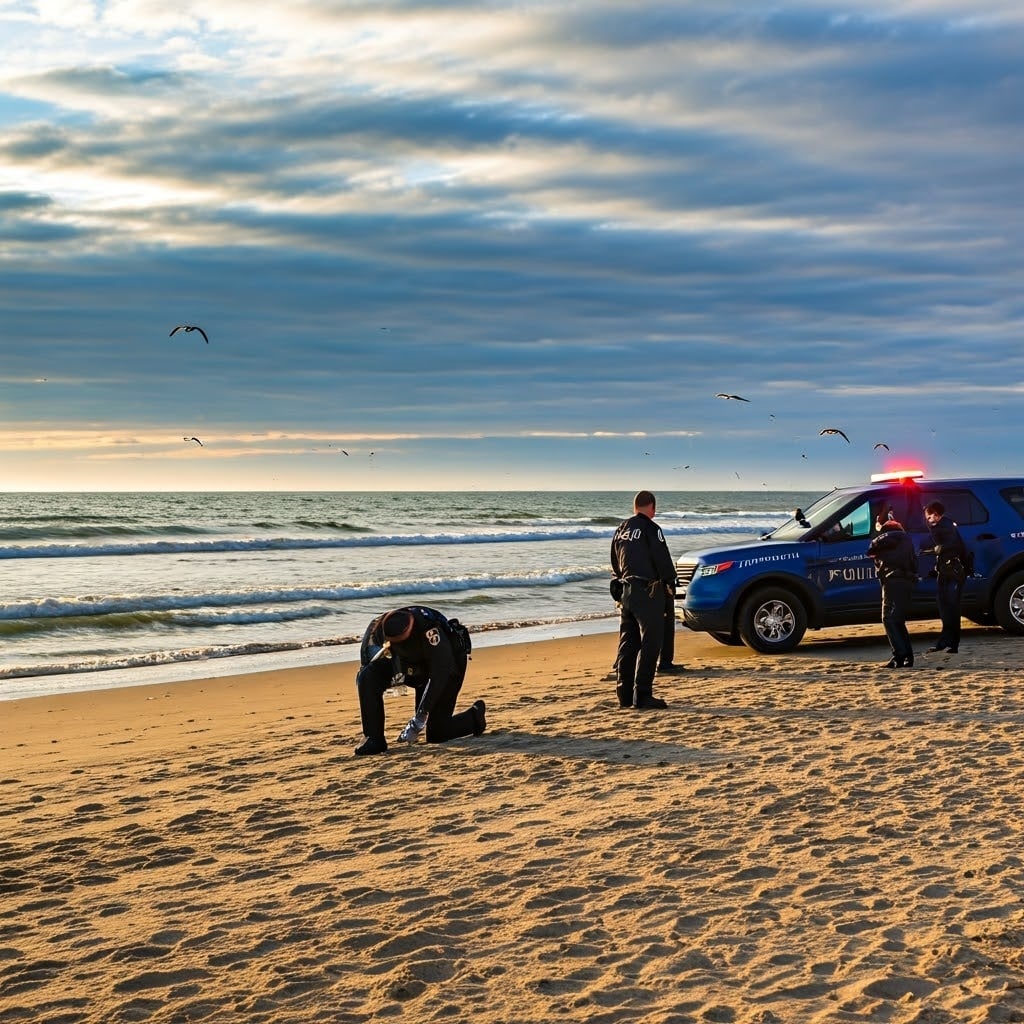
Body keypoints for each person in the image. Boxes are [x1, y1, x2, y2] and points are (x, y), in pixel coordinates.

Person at [353, 606, 485, 756]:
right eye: (393, 643)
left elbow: (440, 675)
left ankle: (474, 717)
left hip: (448, 666)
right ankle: (373, 739)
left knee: (436, 734)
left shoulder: (430, 630)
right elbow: (367, 669)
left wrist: (419, 718)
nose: (398, 646)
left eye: (402, 643)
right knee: (367, 677)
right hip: (411, 668)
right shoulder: (376, 631)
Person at [610, 490, 679, 709]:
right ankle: (643, 694)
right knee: (651, 642)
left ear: (634, 507)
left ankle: (623, 693)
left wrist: (619, 583)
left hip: (626, 591)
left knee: (628, 643)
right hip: (648, 590)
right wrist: (670, 583)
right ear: (652, 507)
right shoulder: (651, 528)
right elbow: (662, 559)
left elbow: (614, 561)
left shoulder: (621, 529)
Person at [867, 518, 918, 668]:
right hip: (908, 581)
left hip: (891, 581)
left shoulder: (880, 541)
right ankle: (907, 656)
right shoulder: (907, 541)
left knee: (888, 618)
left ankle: (899, 656)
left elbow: (870, 552)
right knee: (898, 619)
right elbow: (915, 563)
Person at [921, 500, 968, 654]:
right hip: (947, 571)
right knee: (947, 607)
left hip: (952, 572)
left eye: (929, 517)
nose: (927, 520)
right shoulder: (942, 525)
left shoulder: (945, 527)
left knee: (950, 608)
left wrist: (940, 548)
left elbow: (955, 545)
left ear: (936, 515)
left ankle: (950, 643)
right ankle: (949, 643)